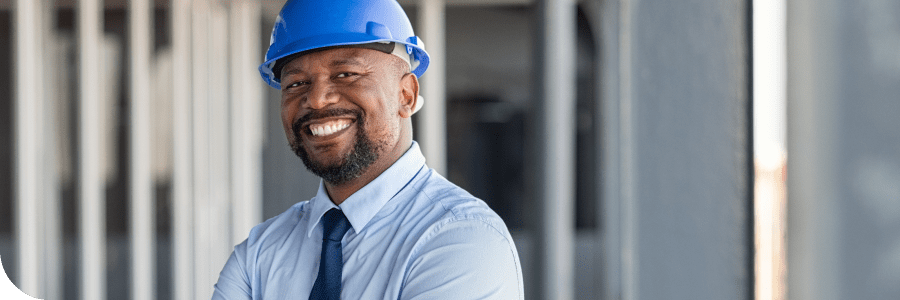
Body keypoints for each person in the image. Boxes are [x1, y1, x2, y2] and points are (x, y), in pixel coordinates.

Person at [211, 0, 524, 299]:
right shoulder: (258, 255)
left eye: (345, 74)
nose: (317, 99)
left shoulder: (461, 241)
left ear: (406, 95)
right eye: (296, 84)